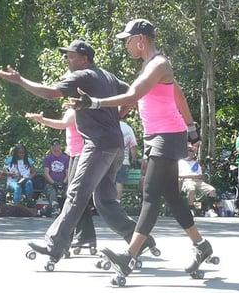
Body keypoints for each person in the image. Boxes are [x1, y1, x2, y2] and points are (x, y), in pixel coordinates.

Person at [68, 18, 213, 277]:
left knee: (150, 194)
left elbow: (134, 95)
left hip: (166, 136)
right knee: (172, 196)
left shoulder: (158, 64)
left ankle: (129, 255)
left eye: (128, 40)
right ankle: (201, 245)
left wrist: (94, 103)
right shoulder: (151, 65)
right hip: (159, 135)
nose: (126, 46)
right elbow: (176, 94)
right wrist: (192, 129)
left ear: (141, 40)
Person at [0, 39, 156, 262]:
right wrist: (119, 115)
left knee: (76, 193)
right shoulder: (106, 76)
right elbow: (132, 93)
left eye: (71, 56)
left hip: (98, 145)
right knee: (105, 200)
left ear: (84, 59)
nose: (67, 59)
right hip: (115, 144)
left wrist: (20, 80)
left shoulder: (83, 75)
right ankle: (140, 239)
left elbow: (51, 93)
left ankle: (55, 245)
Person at [26, 108, 98, 248]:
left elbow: (63, 124)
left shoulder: (77, 111)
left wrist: (42, 120)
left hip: (81, 155)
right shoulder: (77, 109)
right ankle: (85, 236)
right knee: (76, 197)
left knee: (73, 197)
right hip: (74, 154)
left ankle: (64, 239)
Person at [178, 143, 217, 217]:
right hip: (187, 181)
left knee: (212, 190)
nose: (191, 153)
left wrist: (196, 176)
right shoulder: (180, 162)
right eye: (189, 151)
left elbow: (200, 175)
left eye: (192, 151)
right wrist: (191, 176)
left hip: (198, 181)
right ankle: (191, 208)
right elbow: (179, 175)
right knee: (191, 189)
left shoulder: (196, 163)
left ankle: (210, 210)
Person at [43, 138, 70, 214]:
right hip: (51, 182)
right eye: (54, 145)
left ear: (60, 146)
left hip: (63, 182)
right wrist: (54, 183)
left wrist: (63, 182)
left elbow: (68, 172)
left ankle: (69, 210)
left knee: (69, 190)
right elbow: (46, 173)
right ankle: (55, 208)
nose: (56, 146)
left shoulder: (66, 158)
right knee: (51, 191)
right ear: (51, 147)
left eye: (57, 144)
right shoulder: (47, 158)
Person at [116, 120, 138, 200]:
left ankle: (108, 204)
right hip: (123, 161)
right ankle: (117, 202)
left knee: (109, 182)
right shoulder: (128, 128)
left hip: (109, 160)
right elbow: (133, 145)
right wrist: (134, 159)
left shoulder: (110, 124)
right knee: (119, 182)